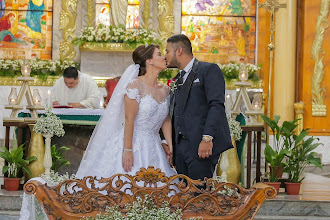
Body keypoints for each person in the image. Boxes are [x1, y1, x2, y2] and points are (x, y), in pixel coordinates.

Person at [75, 44, 176, 179]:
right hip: (134, 143)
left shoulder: (165, 89)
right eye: (159, 54)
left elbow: (166, 120)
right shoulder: (135, 86)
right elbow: (129, 120)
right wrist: (127, 150)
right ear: (149, 61)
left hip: (154, 144)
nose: (164, 57)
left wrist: (170, 146)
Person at [165, 34, 233, 180]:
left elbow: (216, 105)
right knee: (184, 195)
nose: (166, 56)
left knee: (200, 194)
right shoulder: (177, 79)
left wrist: (207, 138)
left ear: (180, 51)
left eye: (167, 51)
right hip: (181, 149)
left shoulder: (208, 70)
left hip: (201, 145)